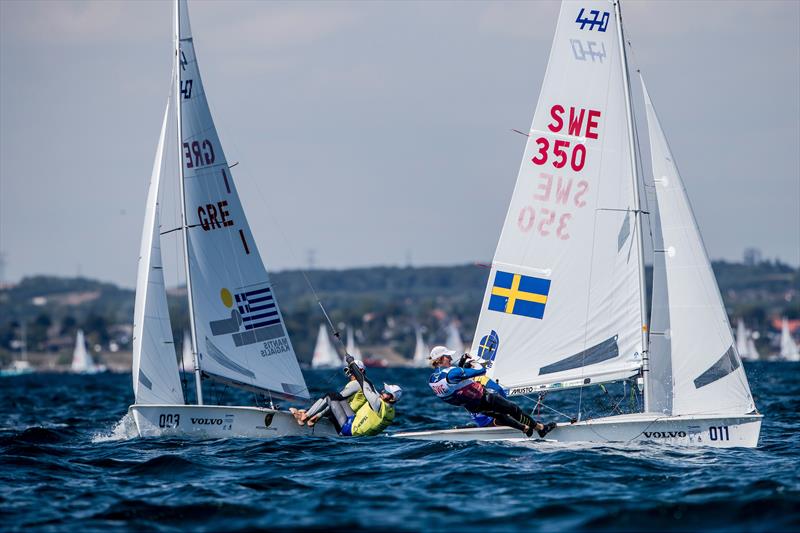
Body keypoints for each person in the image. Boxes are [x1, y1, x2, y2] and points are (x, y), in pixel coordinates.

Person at [428, 345, 556, 438]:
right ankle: (541, 428)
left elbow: (454, 380)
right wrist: (478, 363)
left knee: (499, 415)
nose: (450, 358)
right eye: (448, 356)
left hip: (473, 407)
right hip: (484, 398)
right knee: (514, 409)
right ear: (442, 358)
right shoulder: (453, 372)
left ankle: (525, 428)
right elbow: (480, 371)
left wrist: (462, 362)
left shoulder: (432, 380)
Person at [292, 355, 401, 437]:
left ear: (391, 397)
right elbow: (370, 386)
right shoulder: (390, 410)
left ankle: (305, 416)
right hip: (354, 421)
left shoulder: (377, 403)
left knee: (331, 396)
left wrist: (351, 362)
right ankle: (309, 415)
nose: (382, 391)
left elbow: (362, 382)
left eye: (386, 392)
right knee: (334, 398)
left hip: (349, 429)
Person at [290, 359, 367, 426]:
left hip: (348, 417)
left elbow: (336, 399)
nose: (350, 374)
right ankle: (307, 413)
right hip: (349, 415)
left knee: (330, 396)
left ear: (361, 371)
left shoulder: (356, 383)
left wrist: (319, 415)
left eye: (352, 371)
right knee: (331, 398)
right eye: (349, 372)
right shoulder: (366, 384)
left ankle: (305, 416)